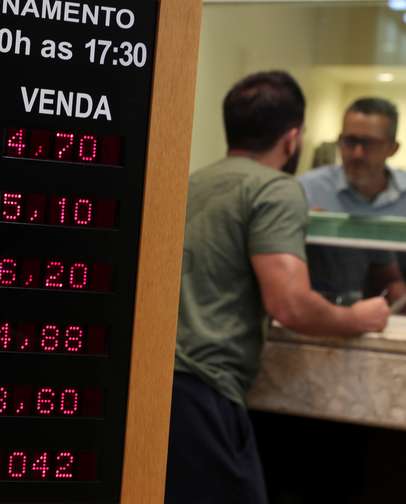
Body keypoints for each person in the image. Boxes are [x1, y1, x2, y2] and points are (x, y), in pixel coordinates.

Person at [165, 71, 389, 504]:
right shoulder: (276, 188)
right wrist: (358, 316)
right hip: (205, 388)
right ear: (292, 139)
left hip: (159, 380)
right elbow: (290, 304)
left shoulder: (193, 182)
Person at [299, 98, 406, 304]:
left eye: (369, 143)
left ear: (393, 148)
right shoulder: (306, 191)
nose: (357, 153)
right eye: (349, 141)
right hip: (321, 318)